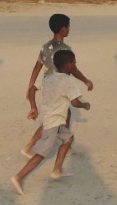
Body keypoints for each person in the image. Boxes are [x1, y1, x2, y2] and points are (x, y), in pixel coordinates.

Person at [11, 49, 90, 195]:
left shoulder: (49, 78)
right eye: (74, 62)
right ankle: (18, 177)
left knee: (68, 139)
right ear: (68, 65)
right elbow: (74, 102)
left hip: (53, 119)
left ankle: (57, 170)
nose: (75, 64)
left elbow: (32, 89)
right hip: (53, 123)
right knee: (41, 154)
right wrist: (84, 105)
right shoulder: (69, 81)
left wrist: (33, 107)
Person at [23, 13, 94, 156]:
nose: (69, 29)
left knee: (64, 116)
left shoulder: (45, 46)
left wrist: (30, 86)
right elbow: (73, 69)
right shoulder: (66, 49)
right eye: (68, 27)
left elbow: (37, 67)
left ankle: (66, 145)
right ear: (63, 29)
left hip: (47, 85)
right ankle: (29, 147)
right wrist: (86, 80)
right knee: (52, 120)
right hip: (60, 86)